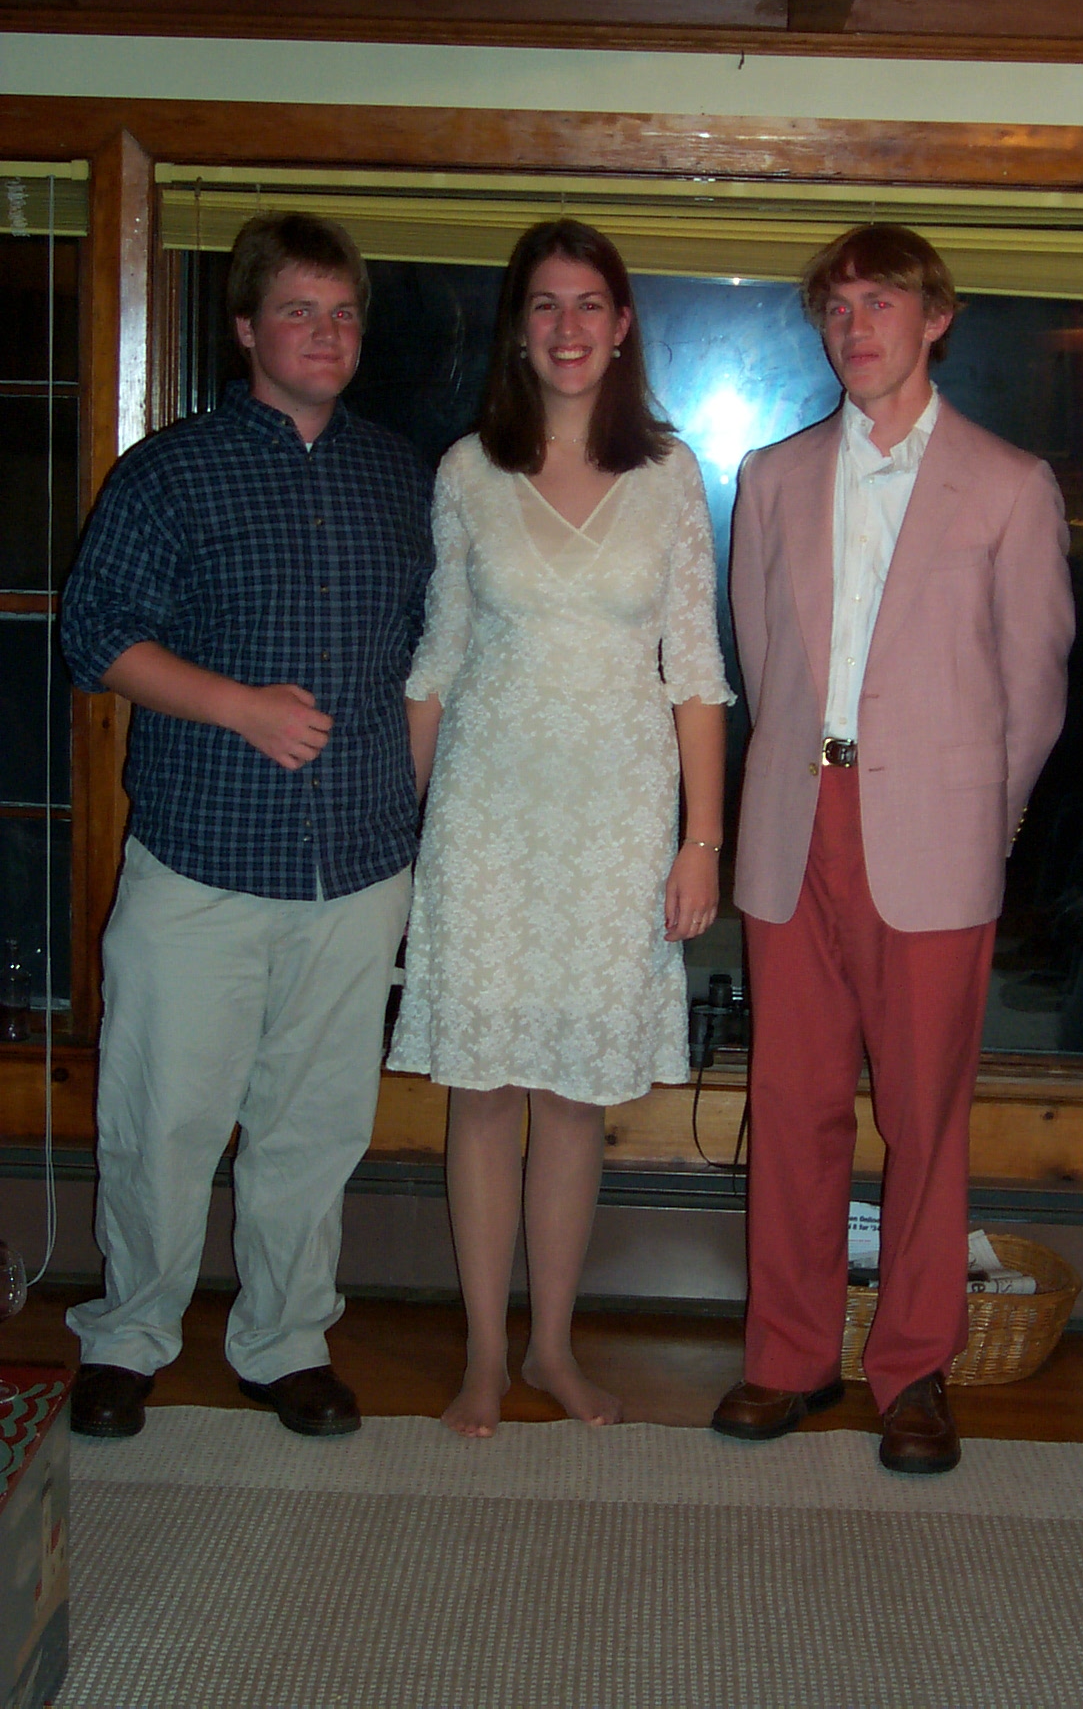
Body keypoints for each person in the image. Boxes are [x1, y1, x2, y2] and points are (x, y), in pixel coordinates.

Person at [61, 213, 433, 1439]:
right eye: (297, 310)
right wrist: (238, 706)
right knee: (163, 1118)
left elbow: (435, 661)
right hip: (201, 864)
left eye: (342, 313)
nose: (324, 333)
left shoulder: (402, 478)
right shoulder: (169, 471)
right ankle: (129, 1337)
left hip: (357, 870)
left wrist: (415, 808)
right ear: (245, 328)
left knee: (312, 1127)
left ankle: (284, 1342)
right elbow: (95, 634)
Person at [713, 224, 1074, 1473]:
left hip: (934, 840)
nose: (855, 325)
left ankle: (914, 1368)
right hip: (793, 827)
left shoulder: (1010, 484)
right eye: (838, 306)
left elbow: (1035, 691)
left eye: (881, 301)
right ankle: (788, 1356)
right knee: (791, 1102)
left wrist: (980, 819)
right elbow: (766, 658)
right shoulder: (771, 476)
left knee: (926, 1116)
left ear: (937, 318)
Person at [389, 218, 733, 1437]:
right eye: (545, 303)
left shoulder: (669, 475)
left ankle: (552, 1348)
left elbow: (698, 670)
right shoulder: (466, 471)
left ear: (622, 325)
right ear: (519, 328)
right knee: (483, 1091)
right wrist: (405, 841)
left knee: (576, 1100)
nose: (568, 325)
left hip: (616, 826)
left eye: (590, 303)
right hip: (485, 818)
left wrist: (701, 841)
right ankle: (486, 1356)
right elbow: (439, 658)